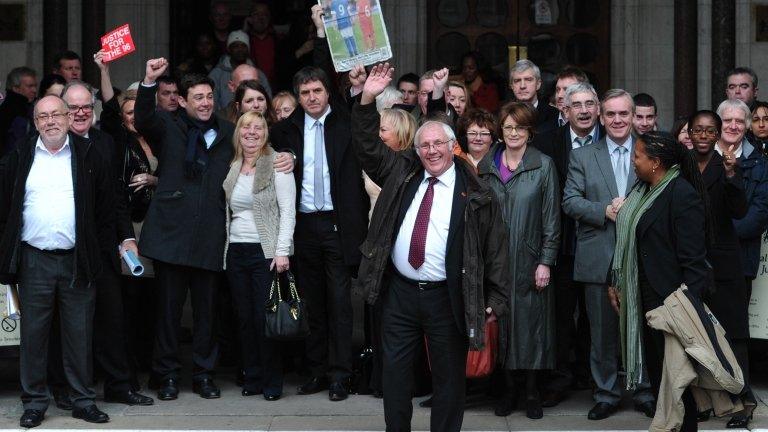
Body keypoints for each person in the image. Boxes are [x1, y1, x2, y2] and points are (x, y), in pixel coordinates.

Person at [352, 62, 509, 432]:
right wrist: (367, 98)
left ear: (453, 146)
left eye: (440, 143)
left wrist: (497, 298)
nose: (433, 150)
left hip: (447, 297)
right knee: (394, 377)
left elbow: (496, 249)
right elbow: (366, 145)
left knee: (449, 380)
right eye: (425, 145)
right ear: (416, 149)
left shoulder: (477, 191)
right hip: (400, 294)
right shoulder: (401, 173)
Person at [0, 95, 114, 427]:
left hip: (77, 260)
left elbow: (106, 211)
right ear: (35, 123)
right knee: (33, 336)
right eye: (42, 116)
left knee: (79, 334)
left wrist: (100, 256)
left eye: (56, 115)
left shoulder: (89, 154)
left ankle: (82, 400)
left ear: (68, 118)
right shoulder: (20, 156)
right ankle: (34, 402)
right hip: (33, 260)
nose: (50, 121)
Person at [135, 58, 235, 401]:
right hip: (172, 234)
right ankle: (166, 376)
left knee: (207, 313)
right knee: (168, 312)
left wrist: (289, 158)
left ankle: (205, 375)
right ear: (183, 101)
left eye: (209, 96)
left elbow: (259, 151)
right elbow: (144, 117)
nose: (205, 103)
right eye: (198, 98)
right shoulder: (168, 125)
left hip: (210, 234)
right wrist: (149, 81)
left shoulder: (228, 133)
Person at [270, 64, 369, 402]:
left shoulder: (344, 121)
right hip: (303, 226)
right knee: (311, 302)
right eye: (305, 93)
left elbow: (360, 108)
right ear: (298, 98)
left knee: (340, 302)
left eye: (317, 91)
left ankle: (341, 374)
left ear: (328, 92)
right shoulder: (285, 130)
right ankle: (317, 371)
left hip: (338, 224)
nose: (312, 98)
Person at [58, 77, 154, 408]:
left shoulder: (104, 143)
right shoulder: (52, 146)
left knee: (113, 317)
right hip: (65, 250)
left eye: (87, 106)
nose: (82, 112)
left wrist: (127, 237)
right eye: (74, 107)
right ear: (62, 111)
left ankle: (119, 386)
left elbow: (116, 198)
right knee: (68, 324)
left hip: (102, 248)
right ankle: (67, 390)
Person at [562, 89, 656, 420]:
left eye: (624, 114)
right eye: (611, 114)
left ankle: (644, 390)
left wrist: (633, 209)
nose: (617, 120)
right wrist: (605, 210)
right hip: (597, 255)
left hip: (641, 257)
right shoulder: (583, 156)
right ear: (602, 118)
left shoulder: (651, 153)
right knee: (601, 333)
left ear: (634, 117)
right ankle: (606, 393)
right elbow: (570, 201)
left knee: (641, 327)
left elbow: (662, 196)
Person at [609, 131, 711, 432]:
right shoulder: (642, 190)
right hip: (643, 297)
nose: (632, 161)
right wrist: (613, 281)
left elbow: (694, 261)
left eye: (637, 156)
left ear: (655, 163)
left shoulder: (681, 194)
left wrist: (685, 306)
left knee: (679, 380)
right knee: (658, 376)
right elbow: (627, 243)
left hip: (670, 302)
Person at [477, 102, 560, 420]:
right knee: (502, 323)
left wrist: (545, 261)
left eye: (520, 128)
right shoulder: (487, 164)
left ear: (530, 131)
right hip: (495, 260)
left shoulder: (543, 164)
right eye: (508, 127)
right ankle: (508, 390)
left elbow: (552, 218)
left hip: (529, 259)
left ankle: (531, 391)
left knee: (532, 327)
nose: (513, 133)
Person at [533, 82, 603, 407]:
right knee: (560, 318)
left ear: (598, 108)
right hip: (561, 246)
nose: (585, 110)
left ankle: (592, 377)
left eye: (590, 103)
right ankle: (560, 378)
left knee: (595, 317)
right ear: (565, 110)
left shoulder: (611, 141)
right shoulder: (546, 143)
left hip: (601, 244)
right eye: (577, 105)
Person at [95, 51, 161, 376]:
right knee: (131, 300)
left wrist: (154, 179)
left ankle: (148, 364)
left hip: (158, 227)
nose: (133, 117)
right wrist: (104, 71)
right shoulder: (120, 140)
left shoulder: (160, 139)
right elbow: (108, 109)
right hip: (130, 226)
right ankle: (130, 368)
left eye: (138, 111)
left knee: (153, 303)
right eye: (128, 112)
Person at [222, 110, 296, 400]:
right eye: (246, 128)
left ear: (266, 133)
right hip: (236, 251)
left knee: (264, 319)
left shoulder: (277, 163)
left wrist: (281, 252)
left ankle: (272, 382)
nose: (251, 133)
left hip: (265, 253)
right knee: (244, 319)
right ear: (238, 132)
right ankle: (252, 378)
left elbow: (288, 211)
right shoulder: (233, 165)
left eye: (258, 128)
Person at [688, 109, 751, 428]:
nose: (703, 135)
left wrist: (730, 175)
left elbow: (739, 211)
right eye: (697, 130)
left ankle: (743, 401)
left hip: (724, 262)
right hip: (692, 262)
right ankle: (705, 401)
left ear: (717, 134)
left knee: (734, 334)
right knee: (698, 336)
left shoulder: (725, 164)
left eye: (709, 131)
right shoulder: (682, 165)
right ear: (689, 132)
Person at [717, 99, 768, 424]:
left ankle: (741, 395)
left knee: (735, 332)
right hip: (702, 260)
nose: (733, 126)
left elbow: (758, 215)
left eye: (740, 120)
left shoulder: (760, 164)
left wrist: (720, 234)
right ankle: (709, 395)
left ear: (747, 125)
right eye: (728, 120)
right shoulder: (702, 159)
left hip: (739, 260)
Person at [209, 31, 272, 110]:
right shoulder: (217, 74)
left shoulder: (258, 74)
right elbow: (211, 103)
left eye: (243, 46)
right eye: (236, 46)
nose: (240, 49)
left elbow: (268, 100)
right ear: (229, 49)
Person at [509, 59, 558, 134]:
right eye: (517, 81)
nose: (522, 86)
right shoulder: (504, 114)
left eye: (528, 80)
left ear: (538, 84)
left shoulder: (554, 115)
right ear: (512, 86)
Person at [0, 66, 37, 156]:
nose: (34, 90)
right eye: (30, 86)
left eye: (35, 86)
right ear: (16, 88)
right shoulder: (9, 113)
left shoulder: (30, 107)